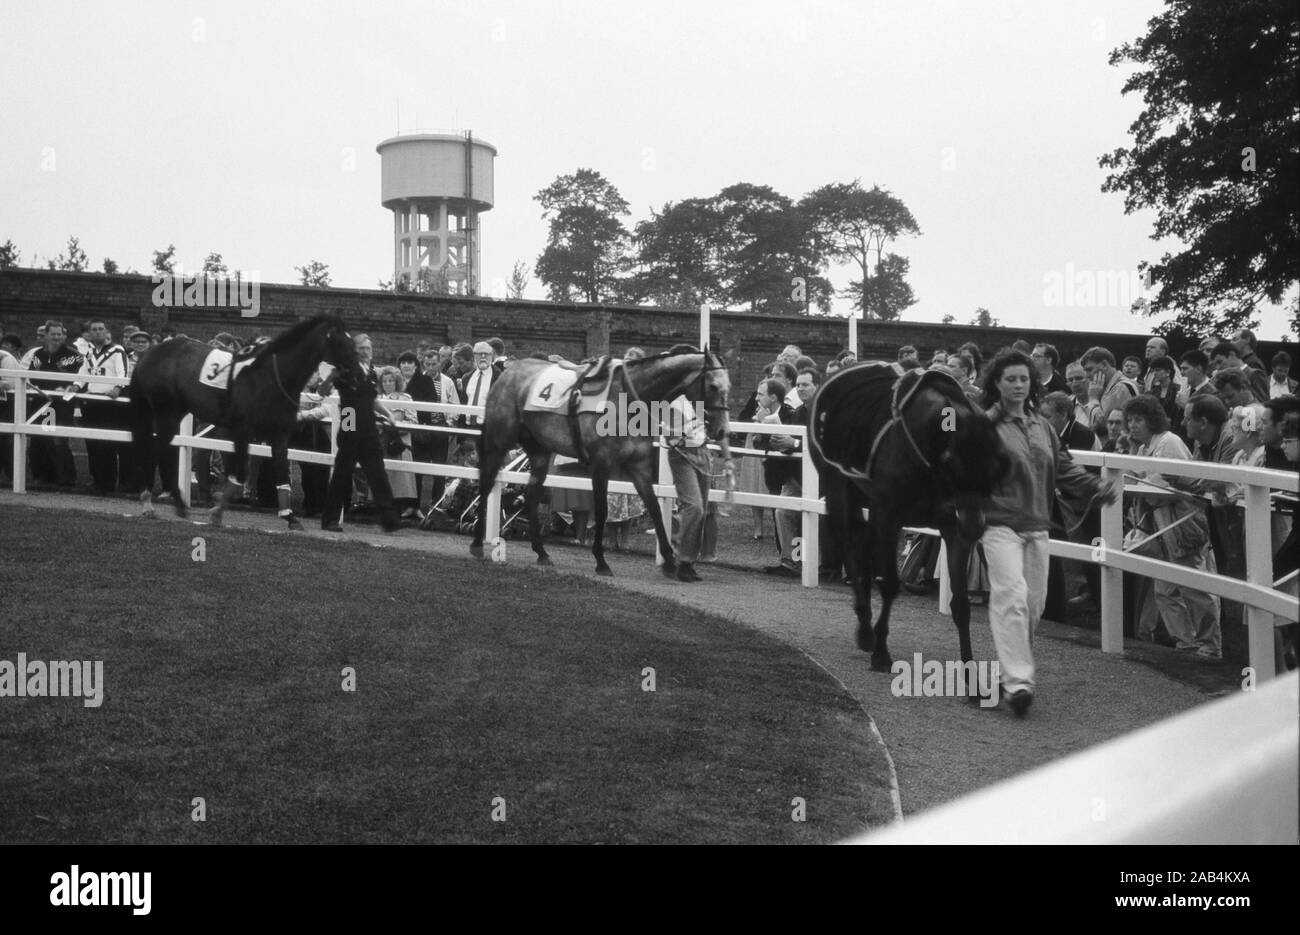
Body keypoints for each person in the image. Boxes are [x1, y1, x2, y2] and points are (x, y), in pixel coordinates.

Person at [979, 350, 1117, 716]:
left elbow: (1065, 467)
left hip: (1038, 526)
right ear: (996, 383)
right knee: (1011, 596)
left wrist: (1093, 487)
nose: (1019, 385)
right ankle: (1020, 685)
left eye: (1024, 378)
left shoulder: (1043, 426)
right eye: (1011, 379)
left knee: (1034, 606)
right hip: (999, 525)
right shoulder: (984, 426)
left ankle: (1008, 678)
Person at [1124, 395, 1221, 659]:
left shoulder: (1169, 442)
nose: (1133, 425)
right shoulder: (1145, 448)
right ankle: (1186, 644)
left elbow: (1191, 482)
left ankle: (1210, 647)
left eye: (1139, 419)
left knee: (1194, 585)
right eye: (1130, 420)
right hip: (1161, 521)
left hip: (1182, 520)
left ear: (1152, 419)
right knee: (1164, 589)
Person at [321, 333, 399, 533]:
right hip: (349, 416)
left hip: (368, 423)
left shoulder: (371, 372)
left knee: (377, 472)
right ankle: (330, 518)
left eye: (368, 348)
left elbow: (372, 399)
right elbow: (323, 391)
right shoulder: (344, 369)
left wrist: (388, 413)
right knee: (342, 471)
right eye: (362, 348)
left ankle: (389, 518)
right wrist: (332, 376)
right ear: (354, 350)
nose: (366, 352)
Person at [71, 320, 128, 495]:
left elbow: (123, 373)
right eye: (94, 330)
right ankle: (96, 480)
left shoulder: (117, 350)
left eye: (100, 329)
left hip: (109, 403)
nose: (97, 332)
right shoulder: (89, 352)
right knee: (92, 443)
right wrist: (75, 386)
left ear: (106, 332)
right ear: (89, 333)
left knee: (107, 444)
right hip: (91, 402)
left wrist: (117, 388)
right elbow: (83, 374)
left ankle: (108, 483)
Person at [26, 320, 83, 487]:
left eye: (59, 334)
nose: (57, 337)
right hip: (41, 402)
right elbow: (32, 376)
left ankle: (66, 478)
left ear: (63, 335)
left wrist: (66, 386)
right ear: (46, 335)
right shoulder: (38, 355)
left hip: (62, 404)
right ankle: (42, 476)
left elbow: (80, 377)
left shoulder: (74, 355)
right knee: (40, 438)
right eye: (53, 334)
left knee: (59, 440)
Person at [378, 365, 420, 519]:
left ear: (396, 382)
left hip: (401, 443)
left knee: (402, 478)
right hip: (383, 443)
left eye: (391, 381)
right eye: (385, 381)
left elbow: (413, 422)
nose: (388, 384)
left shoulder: (405, 399)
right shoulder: (378, 399)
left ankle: (403, 507)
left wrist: (397, 428)